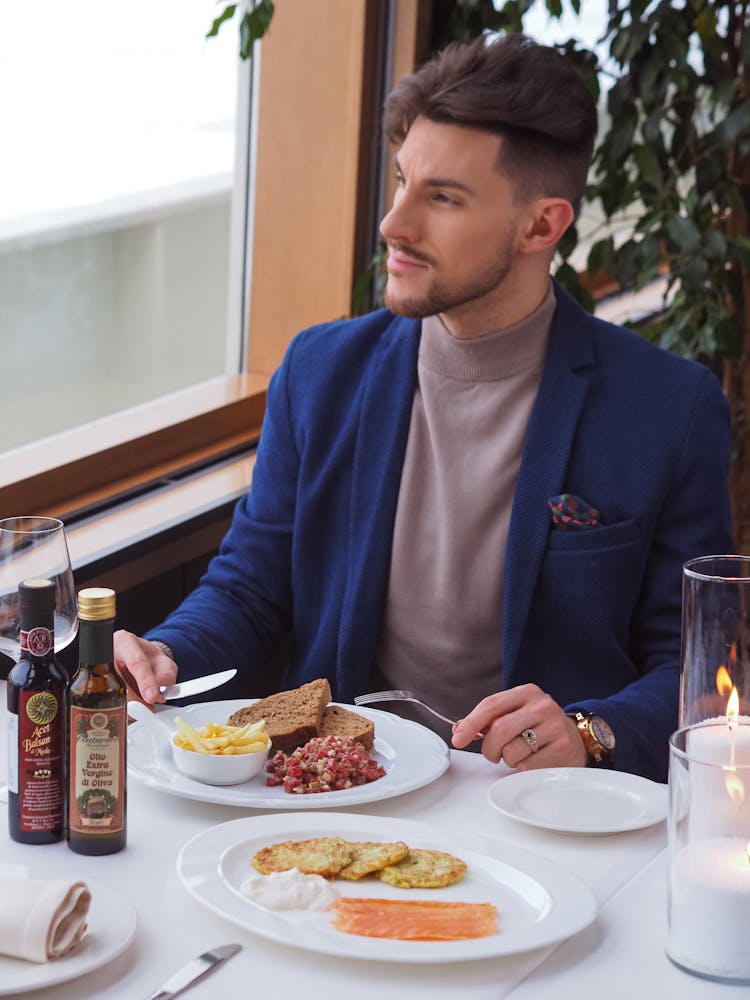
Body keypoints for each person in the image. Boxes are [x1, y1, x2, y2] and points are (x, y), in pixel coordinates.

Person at [114, 33, 733, 783]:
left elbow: (698, 665)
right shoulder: (320, 371)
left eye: (441, 198)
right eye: (402, 181)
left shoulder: (668, 406)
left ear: (543, 226)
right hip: (342, 791)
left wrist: (591, 730)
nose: (394, 224)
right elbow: (251, 586)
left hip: (543, 809)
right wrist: (165, 654)